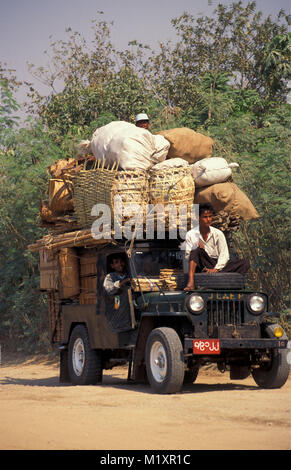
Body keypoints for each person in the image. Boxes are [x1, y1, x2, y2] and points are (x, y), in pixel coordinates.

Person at [184, 203, 250, 291]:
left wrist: (216, 269)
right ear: (198, 218)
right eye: (205, 217)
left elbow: (224, 254)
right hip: (203, 265)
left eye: (210, 216)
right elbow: (188, 256)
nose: (208, 220)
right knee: (195, 250)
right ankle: (191, 282)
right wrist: (198, 247)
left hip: (216, 264)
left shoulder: (218, 233)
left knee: (245, 263)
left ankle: (217, 281)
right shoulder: (191, 234)